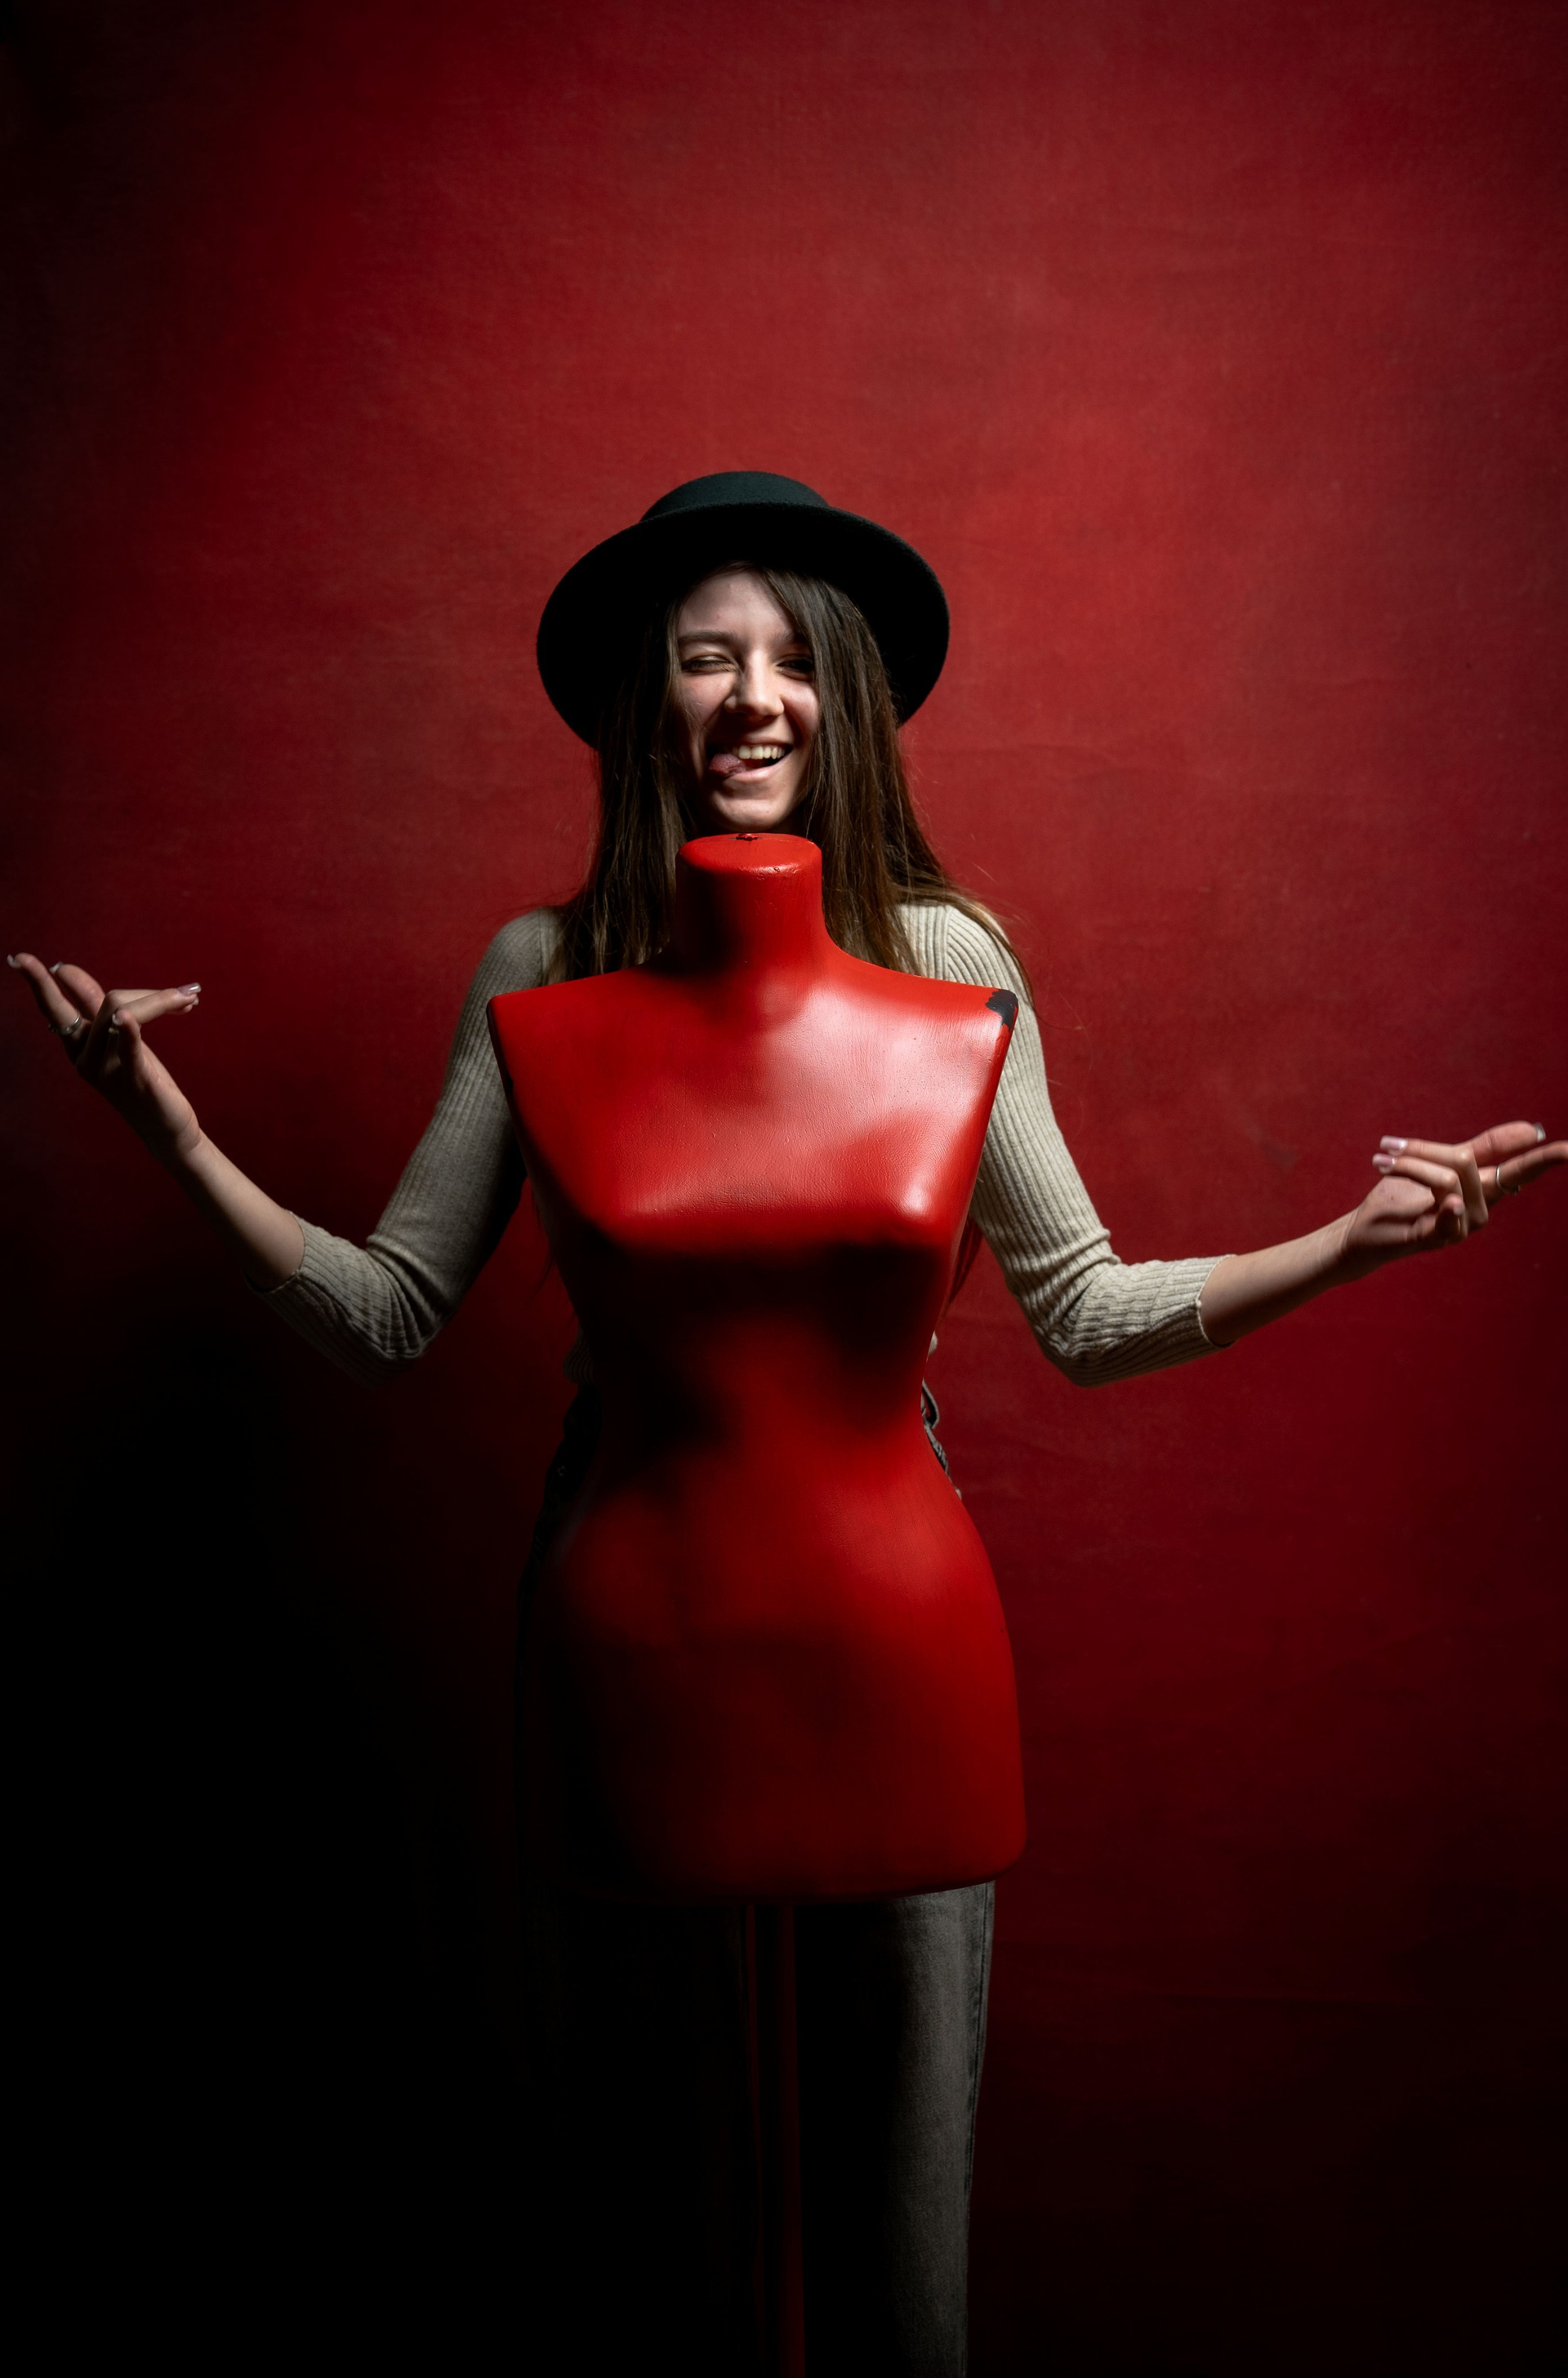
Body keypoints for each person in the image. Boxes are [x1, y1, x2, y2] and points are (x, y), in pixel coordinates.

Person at [10, 470, 1563, 2373]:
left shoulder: (952, 959)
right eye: (703, 657)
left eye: (790, 660)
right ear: (643, 703)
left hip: (898, 1638)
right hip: (626, 1635)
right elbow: (391, 1311)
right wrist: (168, 1132)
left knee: (906, 2285)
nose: (752, 697)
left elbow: (1084, 1309)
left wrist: (1351, 1241)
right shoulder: (546, 968)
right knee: (646, 2257)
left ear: (849, 700)